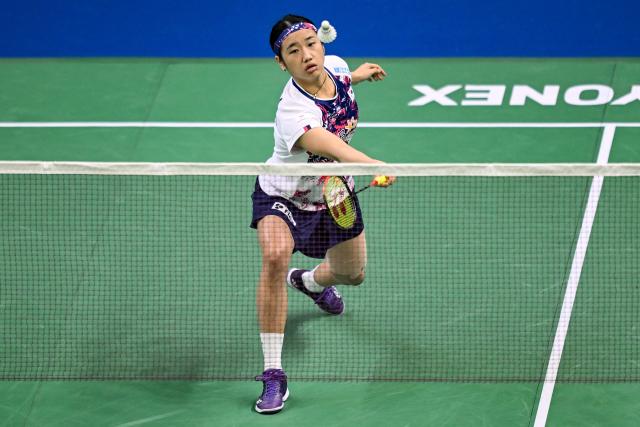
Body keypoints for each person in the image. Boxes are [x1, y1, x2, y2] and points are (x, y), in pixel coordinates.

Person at [250, 14, 395, 414]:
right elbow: (329, 143)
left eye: (311, 43)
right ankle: (274, 373)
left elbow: (341, 79)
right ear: (282, 62)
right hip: (284, 195)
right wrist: (371, 163)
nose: (307, 55)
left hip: (333, 194)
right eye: (293, 51)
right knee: (276, 257)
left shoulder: (335, 66)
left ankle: (310, 282)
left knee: (353, 275)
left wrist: (360, 75)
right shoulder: (292, 113)